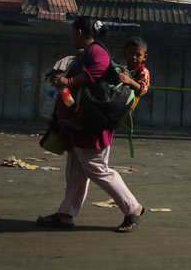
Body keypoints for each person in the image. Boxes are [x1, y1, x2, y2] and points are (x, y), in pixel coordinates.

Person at [37, 17, 145, 232]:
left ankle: (133, 208)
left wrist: (68, 82)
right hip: (79, 124)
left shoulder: (96, 51)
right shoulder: (85, 54)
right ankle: (66, 214)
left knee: (97, 168)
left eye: (72, 33)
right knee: (76, 172)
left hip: (91, 124)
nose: (70, 37)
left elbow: (97, 71)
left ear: (78, 32)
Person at [119, 36, 151, 102]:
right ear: (124, 53)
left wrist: (129, 81)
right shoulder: (123, 69)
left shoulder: (143, 71)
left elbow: (142, 90)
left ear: (145, 57)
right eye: (130, 53)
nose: (134, 57)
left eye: (138, 55)